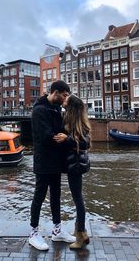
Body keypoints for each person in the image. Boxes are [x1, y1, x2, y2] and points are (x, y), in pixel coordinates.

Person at [29, 80, 75, 251]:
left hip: (56, 160)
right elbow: (48, 136)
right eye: (64, 95)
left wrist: (64, 135)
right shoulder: (39, 110)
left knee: (56, 196)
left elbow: (63, 132)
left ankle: (57, 231)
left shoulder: (56, 109)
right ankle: (33, 233)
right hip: (43, 161)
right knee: (39, 196)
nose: (65, 99)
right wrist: (62, 138)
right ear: (55, 92)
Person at [54, 94, 91, 249]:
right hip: (72, 164)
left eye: (67, 101)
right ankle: (81, 232)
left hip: (75, 166)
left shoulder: (78, 124)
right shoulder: (69, 120)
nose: (64, 102)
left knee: (78, 200)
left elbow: (85, 144)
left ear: (72, 107)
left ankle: (81, 234)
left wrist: (66, 139)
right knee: (78, 198)